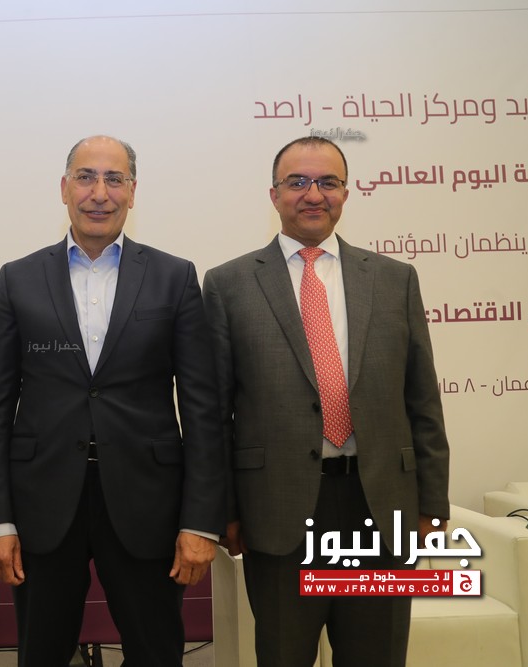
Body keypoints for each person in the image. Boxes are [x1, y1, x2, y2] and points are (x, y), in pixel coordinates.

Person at [0, 135, 226, 666]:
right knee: (41, 654)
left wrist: (200, 521)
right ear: (64, 188)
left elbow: (202, 409)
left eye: (114, 179)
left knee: (157, 653)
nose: (99, 193)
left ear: (133, 191)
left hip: (148, 504)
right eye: (86, 177)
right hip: (43, 505)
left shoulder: (174, 277)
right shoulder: (18, 278)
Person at [202, 136, 450, 666]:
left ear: (346, 193)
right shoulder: (228, 285)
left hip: (381, 507)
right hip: (278, 512)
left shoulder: (394, 279)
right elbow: (215, 414)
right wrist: (224, 510)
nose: (313, 194)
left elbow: (422, 401)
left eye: (327, 182)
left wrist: (432, 504)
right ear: (273, 194)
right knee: (283, 655)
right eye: (297, 182)